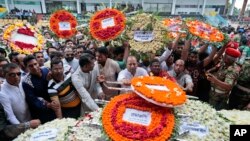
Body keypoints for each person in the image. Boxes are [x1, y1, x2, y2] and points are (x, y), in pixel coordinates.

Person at [22, 55, 58, 123]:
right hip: (43, 113)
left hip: (56, 104)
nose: (34, 67)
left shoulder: (46, 70)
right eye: (31, 66)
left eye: (35, 64)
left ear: (38, 63)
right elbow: (33, 100)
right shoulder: (27, 82)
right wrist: (48, 105)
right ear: (26, 67)